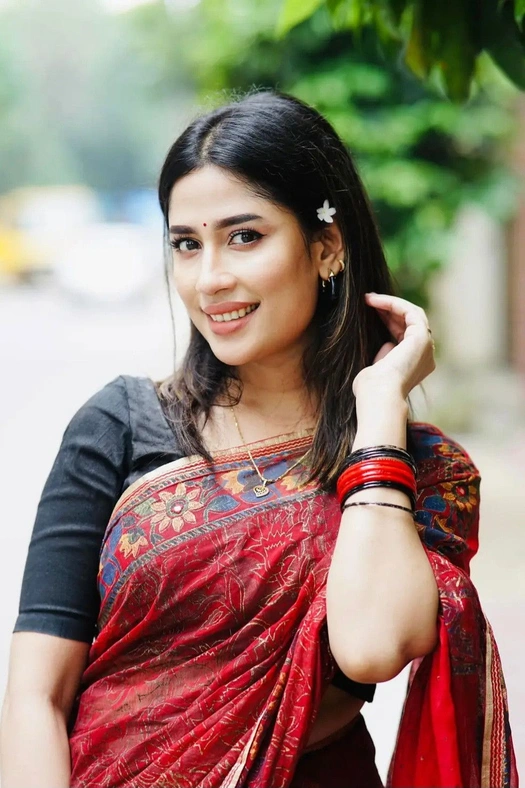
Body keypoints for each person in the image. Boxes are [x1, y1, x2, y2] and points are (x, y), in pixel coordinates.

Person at [0, 89, 517, 788]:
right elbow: (35, 697)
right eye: (187, 244)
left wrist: (378, 408)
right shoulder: (119, 426)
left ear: (326, 246)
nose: (210, 279)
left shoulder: (418, 468)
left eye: (244, 236)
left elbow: (371, 646)